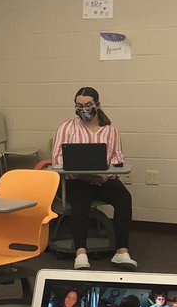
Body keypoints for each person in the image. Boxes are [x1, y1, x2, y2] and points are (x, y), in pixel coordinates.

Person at [52, 86, 136, 271]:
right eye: (79, 105)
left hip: (103, 180)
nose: (84, 109)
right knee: (80, 201)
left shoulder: (110, 129)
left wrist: (105, 176)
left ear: (97, 105)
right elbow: (57, 159)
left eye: (88, 105)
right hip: (76, 181)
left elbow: (118, 158)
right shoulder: (66, 128)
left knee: (124, 198)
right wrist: (81, 173)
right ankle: (81, 254)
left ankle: (121, 251)